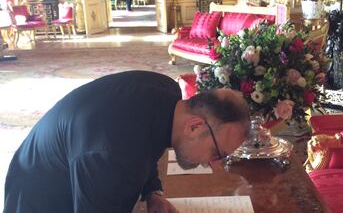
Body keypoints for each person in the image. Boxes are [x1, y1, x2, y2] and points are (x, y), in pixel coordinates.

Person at [4, 70, 249, 213]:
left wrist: (152, 191)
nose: (216, 166)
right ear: (195, 126)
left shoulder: (168, 97)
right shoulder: (111, 156)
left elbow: (148, 138)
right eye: (219, 153)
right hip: (44, 202)